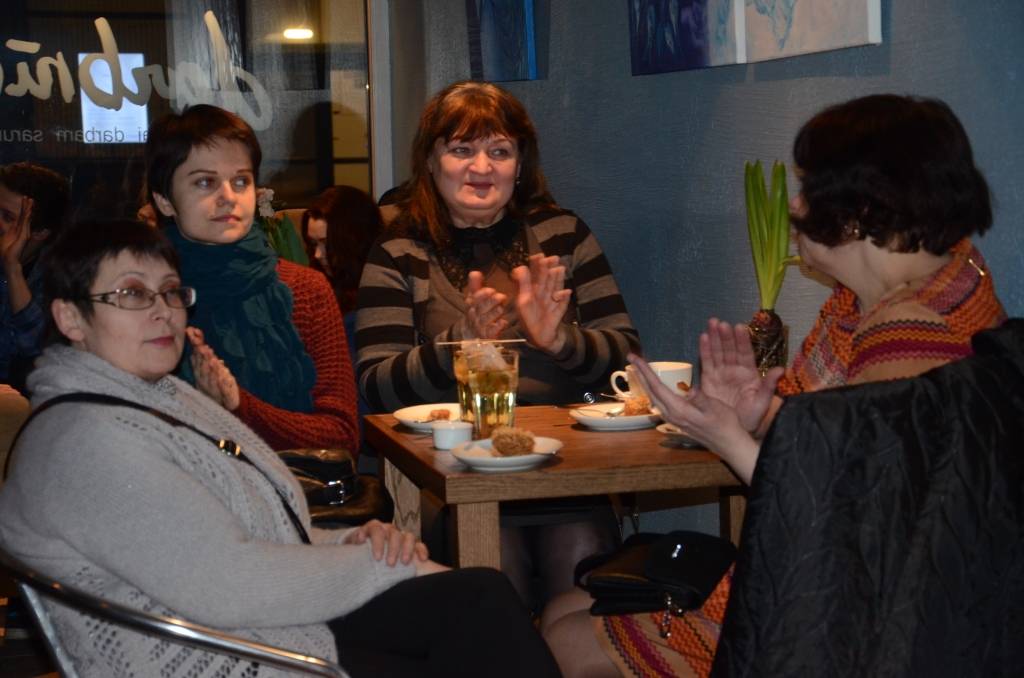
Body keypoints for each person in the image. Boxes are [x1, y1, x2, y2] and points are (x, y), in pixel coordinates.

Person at [542, 94, 1007, 677]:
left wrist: (726, 438)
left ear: (859, 210)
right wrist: (756, 415)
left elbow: (849, 523)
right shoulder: (927, 283)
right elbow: (840, 454)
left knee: (564, 639)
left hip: (838, 628)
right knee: (561, 610)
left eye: (810, 186)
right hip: (838, 593)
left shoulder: (908, 337)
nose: (794, 204)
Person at [0, 218, 561, 678]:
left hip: (250, 626)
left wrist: (349, 540)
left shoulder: (150, 396)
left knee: (476, 598)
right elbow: (228, 584)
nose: (162, 310)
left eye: (170, 291)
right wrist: (375, 564)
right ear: (70, 317)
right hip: (230, 653)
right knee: (474, 618)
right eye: (131, 294)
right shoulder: (85, 441)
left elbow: (246, 537)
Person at [356, 80, 641, 610]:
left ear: (521, 164)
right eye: (462, 149)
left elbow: (627, 362)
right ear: (431, 161)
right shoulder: (397, 249)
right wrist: (457, 344)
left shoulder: (563, 234)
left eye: (500, 151)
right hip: (453, 475)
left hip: (562, 467)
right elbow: (375, 386)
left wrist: (559, 340)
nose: (481, 167)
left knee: (583, 554)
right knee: (496, 571)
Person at [145, 105, 359, 452]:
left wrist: (238, 406)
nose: (228, 197)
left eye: (241, 181)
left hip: (289, 482)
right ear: (164, 200)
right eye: (205, 182)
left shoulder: (305, 290)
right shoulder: (144, 298)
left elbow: (341, 435)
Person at [0, 162, 69, 392]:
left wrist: (12, 268)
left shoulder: (61, 275)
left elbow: (39, 349)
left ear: (39, 232)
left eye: (7, 217)